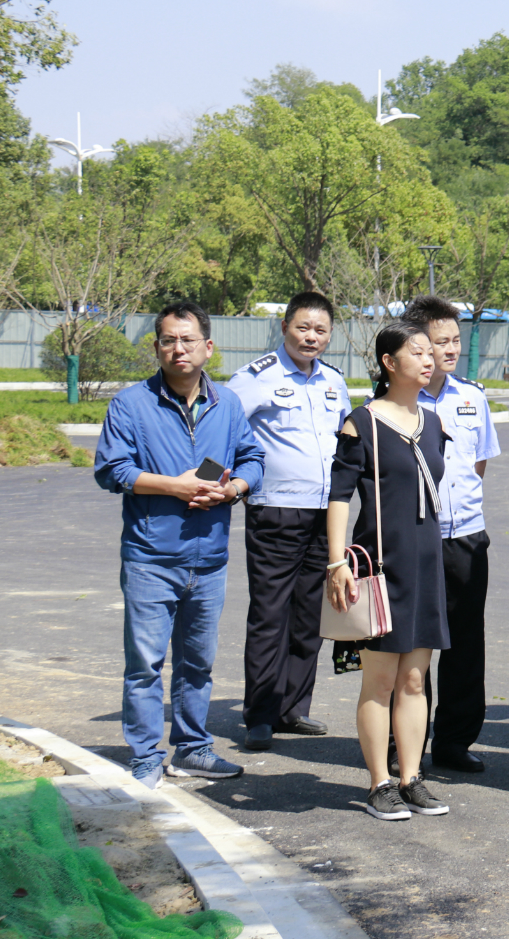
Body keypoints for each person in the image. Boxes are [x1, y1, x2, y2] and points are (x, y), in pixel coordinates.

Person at [95, 301, 263, 789]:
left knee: (197, 664)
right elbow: (112, 470)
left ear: (207, 347)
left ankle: (193, 748)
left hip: (209, 558)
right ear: (156, 347)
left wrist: (232, 490)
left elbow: (252, 458)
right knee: (145, 665)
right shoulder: (131, 404)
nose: (178, 349)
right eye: (168, 340)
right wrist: (176, 486)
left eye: (187, 340)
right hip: (151, 558)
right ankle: (146, 755)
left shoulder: (227, 404)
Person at [325, 323, 451, 820]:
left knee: (415, 680)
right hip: (381, 566)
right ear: (388, 362)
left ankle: (411, 778)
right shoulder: (362, 423)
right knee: (379, 681)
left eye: (430, 352)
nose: (429, 359)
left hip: (427, 565)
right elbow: (338, 496)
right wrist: (337, 562)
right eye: (417, 352)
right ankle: (379, 783)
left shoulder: (434, 423)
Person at [228, 291, 352, 752]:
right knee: (270, 613)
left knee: (310, 615)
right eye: (303, 328)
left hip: (325, 513)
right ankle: (261, 714)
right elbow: (221, 431)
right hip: (275, 510)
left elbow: (348, 440)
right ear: (284, 328)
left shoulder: (334, 381)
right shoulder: (255, 378)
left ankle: (293, 708)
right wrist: (213, 482)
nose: (311, 337)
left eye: (321, 330)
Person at [400, 296, 502, 774]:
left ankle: (455, 740)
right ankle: (406, 741)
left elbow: (478, 463)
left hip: (466, 536)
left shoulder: (472, 396)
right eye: (441, 341)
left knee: (465, 641)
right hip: (416, 538)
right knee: (413, 644)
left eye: (456, 340)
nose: (452, 349)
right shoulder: (395, 401)